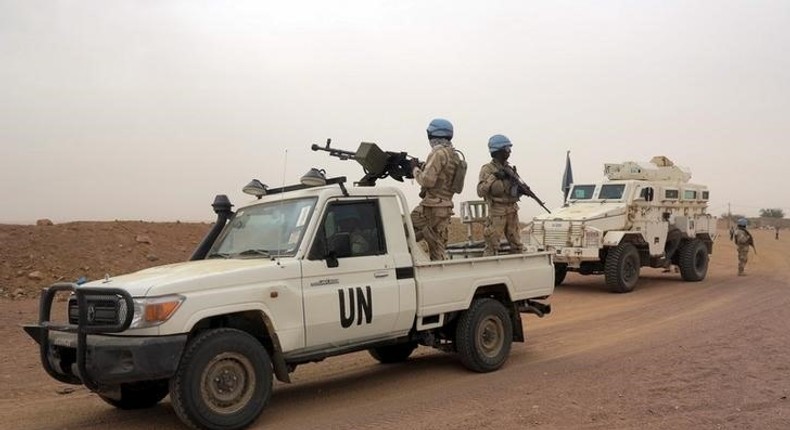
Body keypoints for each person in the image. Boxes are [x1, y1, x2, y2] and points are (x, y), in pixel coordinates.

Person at [410, 118, 462, 260]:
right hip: (444, 207)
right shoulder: (454, 155)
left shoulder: (438, 154)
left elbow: (427, 181)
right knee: (437, 249)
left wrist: (414, 169)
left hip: (431, 207)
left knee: (404, 232)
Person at [476, 134, 524, 256]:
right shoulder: (487, 169)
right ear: (499, 151)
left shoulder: (510, 169)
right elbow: (480, 191)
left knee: (517, 245)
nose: (510, 152)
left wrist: (521, 189)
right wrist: (494, 176)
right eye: (507, 149)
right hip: (497, 211)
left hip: (512, 210)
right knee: (492, 246)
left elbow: (516, 188)